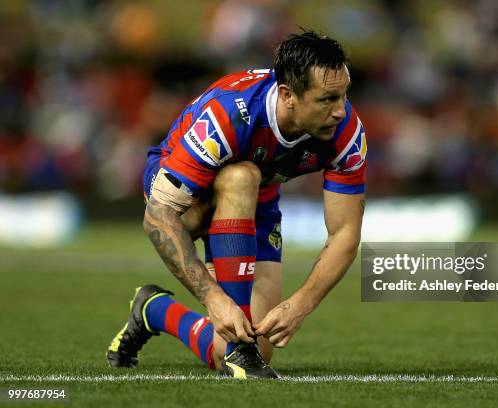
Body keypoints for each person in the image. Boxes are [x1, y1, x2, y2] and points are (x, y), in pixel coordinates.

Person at [106, 30, 367, 379]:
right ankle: (240, 351)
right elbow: (158, 216)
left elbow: (346, 233)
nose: (340, 111)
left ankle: (155, 310)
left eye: (344, 96)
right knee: (241, 175)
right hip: (183, 194)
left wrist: (299, 305)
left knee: (249, 348)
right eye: (327, 99)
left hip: (258, 199)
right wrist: (214, 299)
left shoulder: (347, 133)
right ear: (289, 95)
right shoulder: (231, 115)